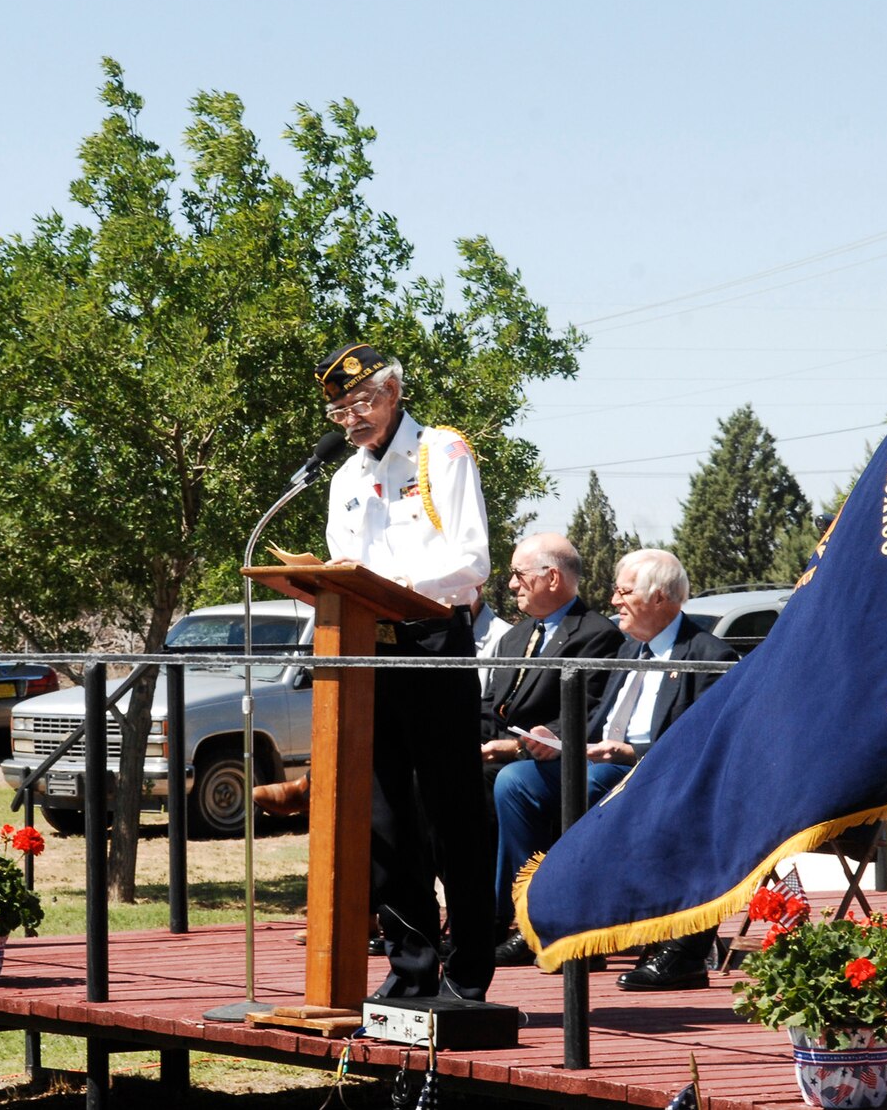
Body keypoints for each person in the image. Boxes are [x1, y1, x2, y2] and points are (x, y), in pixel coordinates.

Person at [315, 342, 495, 1001]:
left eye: (360, 400)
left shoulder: (439, 452)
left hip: (433, 644)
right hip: (370, 651)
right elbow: (340, 569)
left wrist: (394, 586)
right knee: (386, 818)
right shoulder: (344, 479)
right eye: (339, 407)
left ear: (393, 392)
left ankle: (470, 963)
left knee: (453, 812)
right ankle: (411, 963)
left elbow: (472, 560)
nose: (351, 418)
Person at [489, 547, 735, 988]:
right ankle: (534, 920)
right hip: (598, 762)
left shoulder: (706, 654)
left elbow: (712, 742)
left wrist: (631, 756)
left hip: (654, 774)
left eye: (624, 591)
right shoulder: (627, 649)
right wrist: (559, 740)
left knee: (591, 788)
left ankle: (586, 932)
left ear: (659, 598)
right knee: (515, 783)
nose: (614, 601)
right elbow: (597, 718)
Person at [481, 532, 625, 958]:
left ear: (553, 578)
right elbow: (491, 707)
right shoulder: (513, 638)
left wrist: (518, 746)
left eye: (518, 575)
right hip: (497, 756)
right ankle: (462, 915)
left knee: (508, 781)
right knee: (426, 783)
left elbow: (589, 710)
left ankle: (517, 918)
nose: (511, 585)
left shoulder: (596, 634)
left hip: (548, 761)